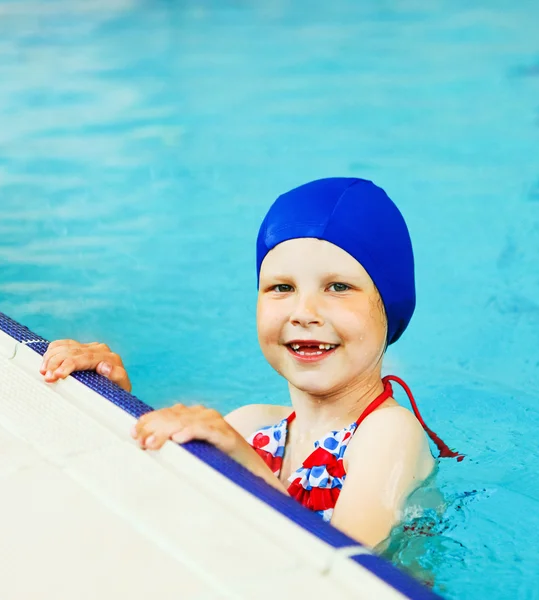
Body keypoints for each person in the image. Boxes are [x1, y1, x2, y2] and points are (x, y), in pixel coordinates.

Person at [39, 177, 461, 547]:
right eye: (281, 287)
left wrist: (238, 456)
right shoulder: (252, 426)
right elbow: (148, 510)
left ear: (390, 310)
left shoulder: (389, 433)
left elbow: (349, 564)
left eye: (337, 286)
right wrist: (111, 399)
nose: (304, 312)